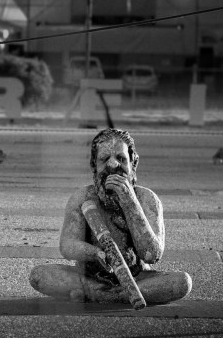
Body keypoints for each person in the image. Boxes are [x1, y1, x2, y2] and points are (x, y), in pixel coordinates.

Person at [29, 128, 191, 305]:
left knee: (182, 282)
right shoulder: (82, 197)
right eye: (104, 159)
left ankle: (101, 295)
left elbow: (152, 254)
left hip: (136, 277)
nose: (113, 165)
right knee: (39, 275)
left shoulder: (147, 199)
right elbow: (67, 246)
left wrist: (130, 203)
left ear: (133, 164)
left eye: (121, 159)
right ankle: (115, 294)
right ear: (94, 165)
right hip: (90, 276)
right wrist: (95, 253)